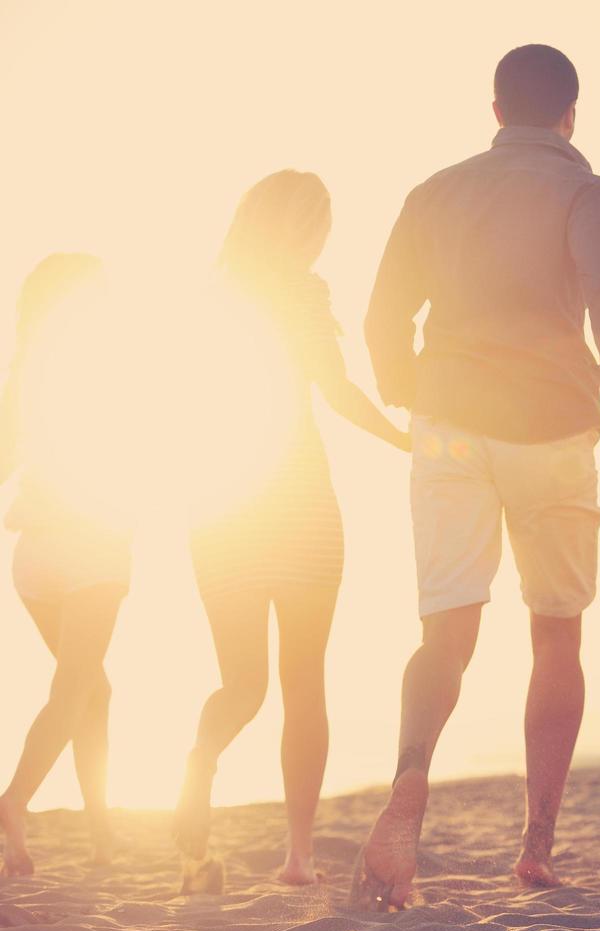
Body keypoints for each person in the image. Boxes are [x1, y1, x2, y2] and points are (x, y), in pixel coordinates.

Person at [355, 44, 600, 908]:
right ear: (570, 114)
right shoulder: (587, 191)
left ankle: (411, 775)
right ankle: (537, 845)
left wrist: (413, 391)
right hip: (550, 424)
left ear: (494, 110)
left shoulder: (435, 192)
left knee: (446, 632)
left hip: (448, 423)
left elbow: (381, 318)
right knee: (555, 633)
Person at [172, 171, 409, 891]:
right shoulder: (304, 295)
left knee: (241, 685)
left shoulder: (208, 302)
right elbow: (335, 392)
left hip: (222, 507)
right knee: (304, 684)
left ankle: (199, 763)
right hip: (301, 504)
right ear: (301, 229)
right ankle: (298, 857)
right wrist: (405, 440)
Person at [0, 254, 131, 875]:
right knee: (76, 686)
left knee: (92, 690)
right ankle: (14, 800)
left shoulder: (23, 372)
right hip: (90, 545)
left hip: (33, 556)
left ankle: (102, 835)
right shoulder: (107, 367)